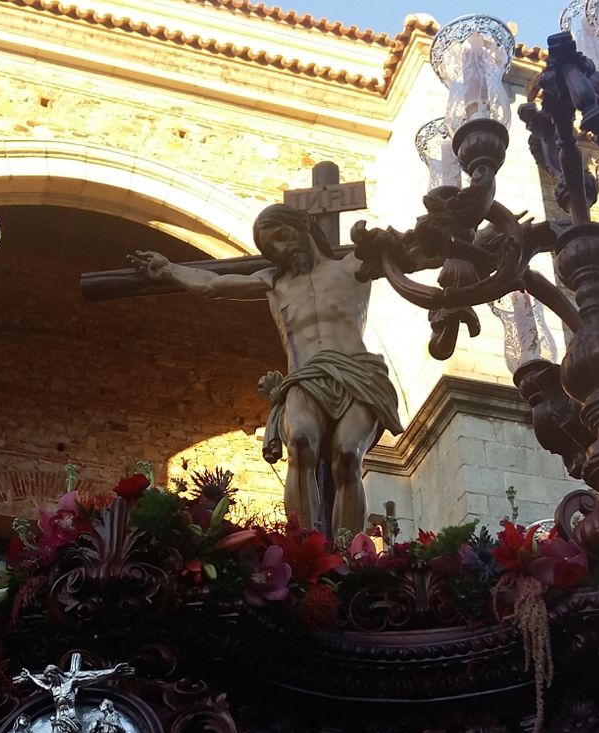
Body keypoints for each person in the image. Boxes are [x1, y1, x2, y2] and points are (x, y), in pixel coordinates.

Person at [129, 204, 403, 536]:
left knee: (347, 455)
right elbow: (212, 284)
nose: (282, 250)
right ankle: (303, 545)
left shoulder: (356, 265)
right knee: (300, 442)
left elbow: (418, 253)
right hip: (305, 377)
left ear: (304, 225)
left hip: (358, 375)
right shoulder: (273, 282)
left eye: (283, 237)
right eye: (271, 247)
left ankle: (349, 553)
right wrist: (170, 269)